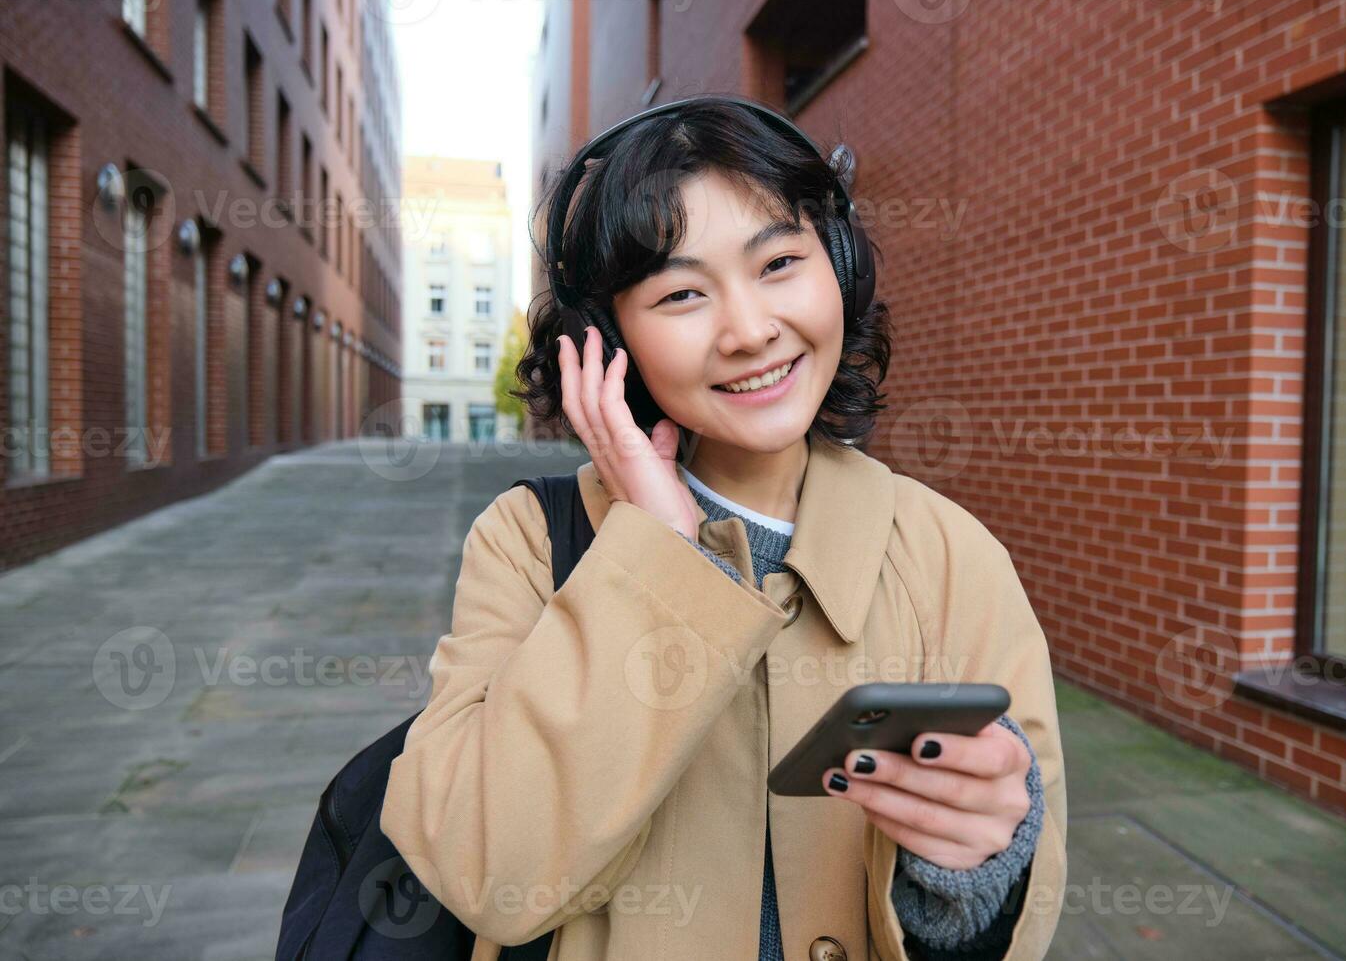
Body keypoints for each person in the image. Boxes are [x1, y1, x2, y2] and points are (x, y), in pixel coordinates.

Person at [380, 96, 1066, 961]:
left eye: (779, 262)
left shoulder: (951, 557)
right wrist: (656, 555)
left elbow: (1022, 912)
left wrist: (971, 874)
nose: (749, 331)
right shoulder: (526, 542)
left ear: (841, 267)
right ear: (604, 341)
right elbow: (484, 871)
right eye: (681, 293)